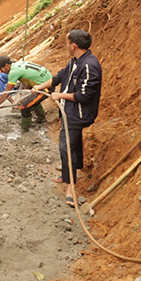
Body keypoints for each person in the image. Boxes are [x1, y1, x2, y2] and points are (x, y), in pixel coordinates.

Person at [33, 29, 102, 208]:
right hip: (69, 111)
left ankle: (71, 188)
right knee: (73, 143)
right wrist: (39, 86)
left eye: (67, 43)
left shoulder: (90, 66)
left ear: (74, 46)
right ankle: (69, 174)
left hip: (78, 114)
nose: (66, 46)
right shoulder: (75, 62)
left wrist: (60, 96)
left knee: (66, 148)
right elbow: (58, 78)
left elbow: (85, 96)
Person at [0, 55, 53, 131]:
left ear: (6, 66)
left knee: (24, 106)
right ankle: (41, 120)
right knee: (31, 100)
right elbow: (28, 82)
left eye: (1, 69)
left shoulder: (13, 72)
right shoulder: (18, 65)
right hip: (42, 84)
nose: (1, 72)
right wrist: (22, 98)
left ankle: (25, 129)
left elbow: (7, 92)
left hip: (46, 87)